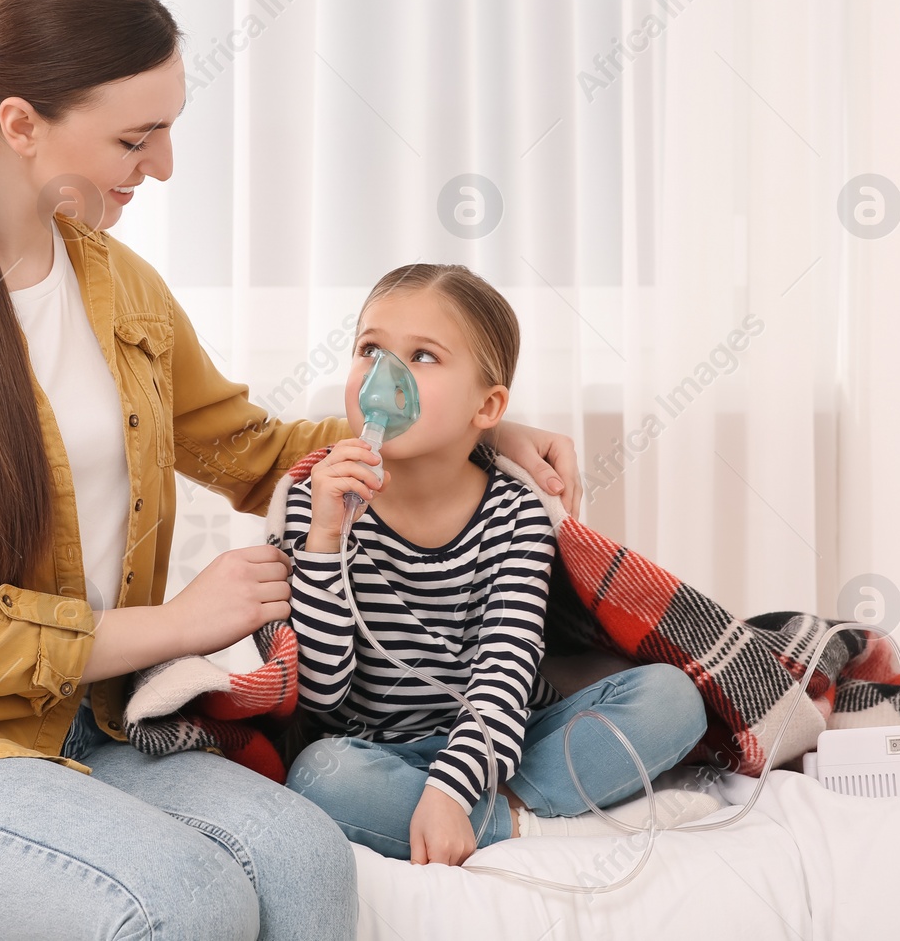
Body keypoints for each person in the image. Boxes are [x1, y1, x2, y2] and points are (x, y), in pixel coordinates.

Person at [0, 0, 584, 941]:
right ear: (22, 124)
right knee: (185, 901)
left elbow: (255, 450)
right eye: (135, 137)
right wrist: (181, 623)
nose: (160, 166)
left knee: (303, 855)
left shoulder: (122, 289)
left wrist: (474, 427)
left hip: (95, 721)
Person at [281, 264, 709, 866]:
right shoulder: (316, 501)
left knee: (672, 699)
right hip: (383, 752)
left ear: (488, 406)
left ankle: (479, 812)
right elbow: (323, 694)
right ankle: (535, 827)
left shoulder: (514, 511)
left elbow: (505, 670)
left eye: (424, 356)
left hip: (509, 737)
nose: (385, 377)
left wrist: (452, 791)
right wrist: (325, 540)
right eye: (369, 350)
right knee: (318, 778)